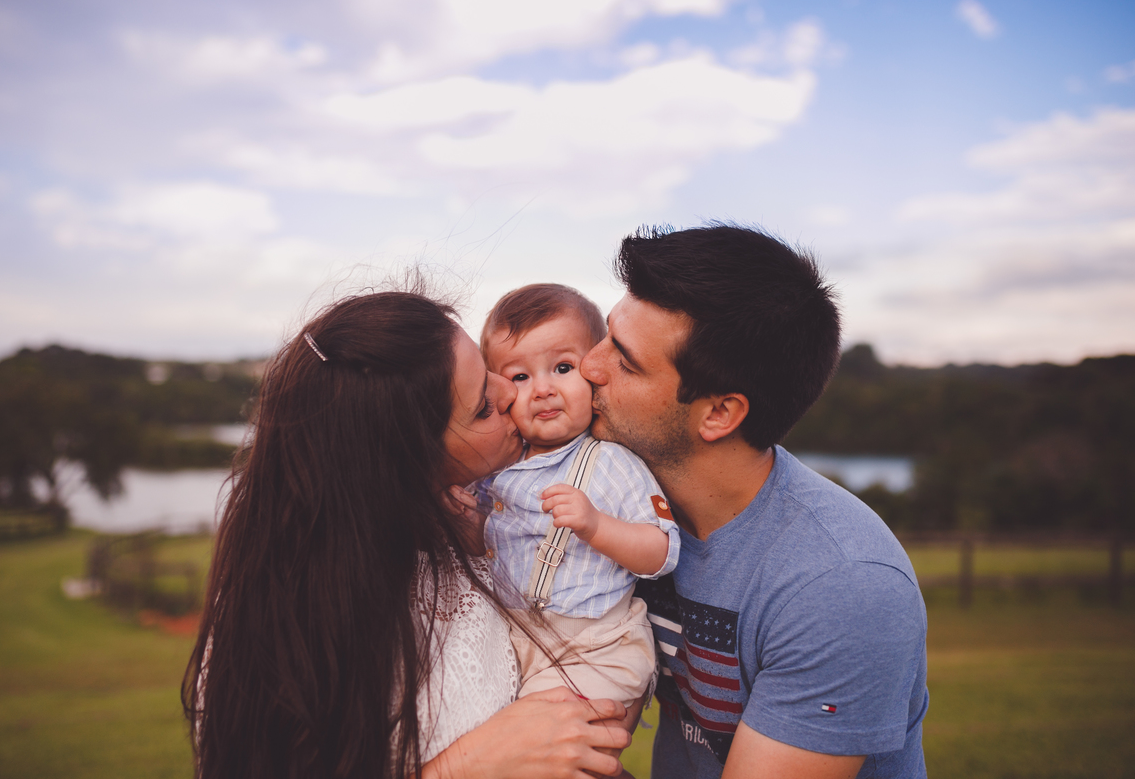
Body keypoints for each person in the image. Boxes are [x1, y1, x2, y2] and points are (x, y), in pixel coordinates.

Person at [182, 288, 631, 779]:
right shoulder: (289, 619)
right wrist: (472, 766)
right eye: (482, 407)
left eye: (488, 371)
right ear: (409, 459)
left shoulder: (483, 521)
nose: (510, 391)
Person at [579, 225, 929, 778]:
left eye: (625, 360)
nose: (588, 366)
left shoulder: (840, 585)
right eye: (606, 336)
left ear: (719, 414)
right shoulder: (626, 513)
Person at [476, 283, 680, 710]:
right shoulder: (496, 467)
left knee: (541, 729)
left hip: (595, 645)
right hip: (512, 635)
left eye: (563, 368)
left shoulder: (610, 462)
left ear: (593, 371)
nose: (543, 389)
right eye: (520, 377)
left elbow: (661, 552)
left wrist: (597, 525)